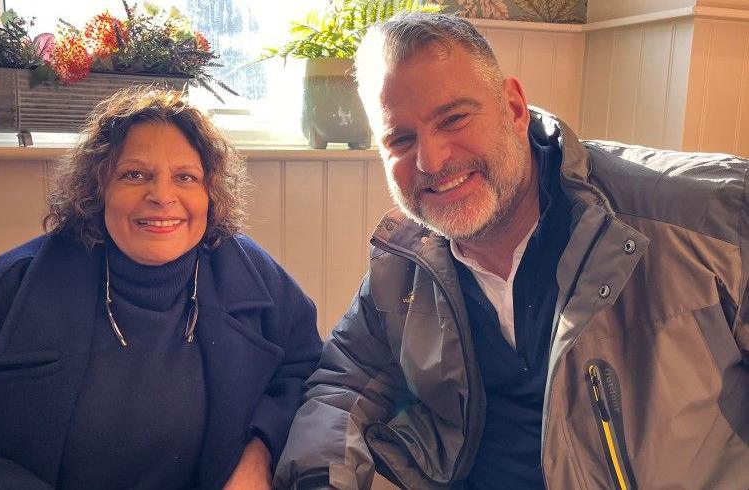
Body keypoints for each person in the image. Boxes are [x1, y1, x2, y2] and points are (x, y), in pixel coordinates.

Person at [274, 12, 749, 490]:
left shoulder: (707, 218)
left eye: (454, 118)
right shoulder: (404, 265)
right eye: (400, 139)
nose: (431, 161)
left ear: (514, 107)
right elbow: (343, 385)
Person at [0, 86, 323, 489]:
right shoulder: (13, 285)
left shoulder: (250, 272)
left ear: (211, 192)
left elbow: (306, 373)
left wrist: (258, 454)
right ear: (97, 189)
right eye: (134, 175)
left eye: (185, 177)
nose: (162, 196)